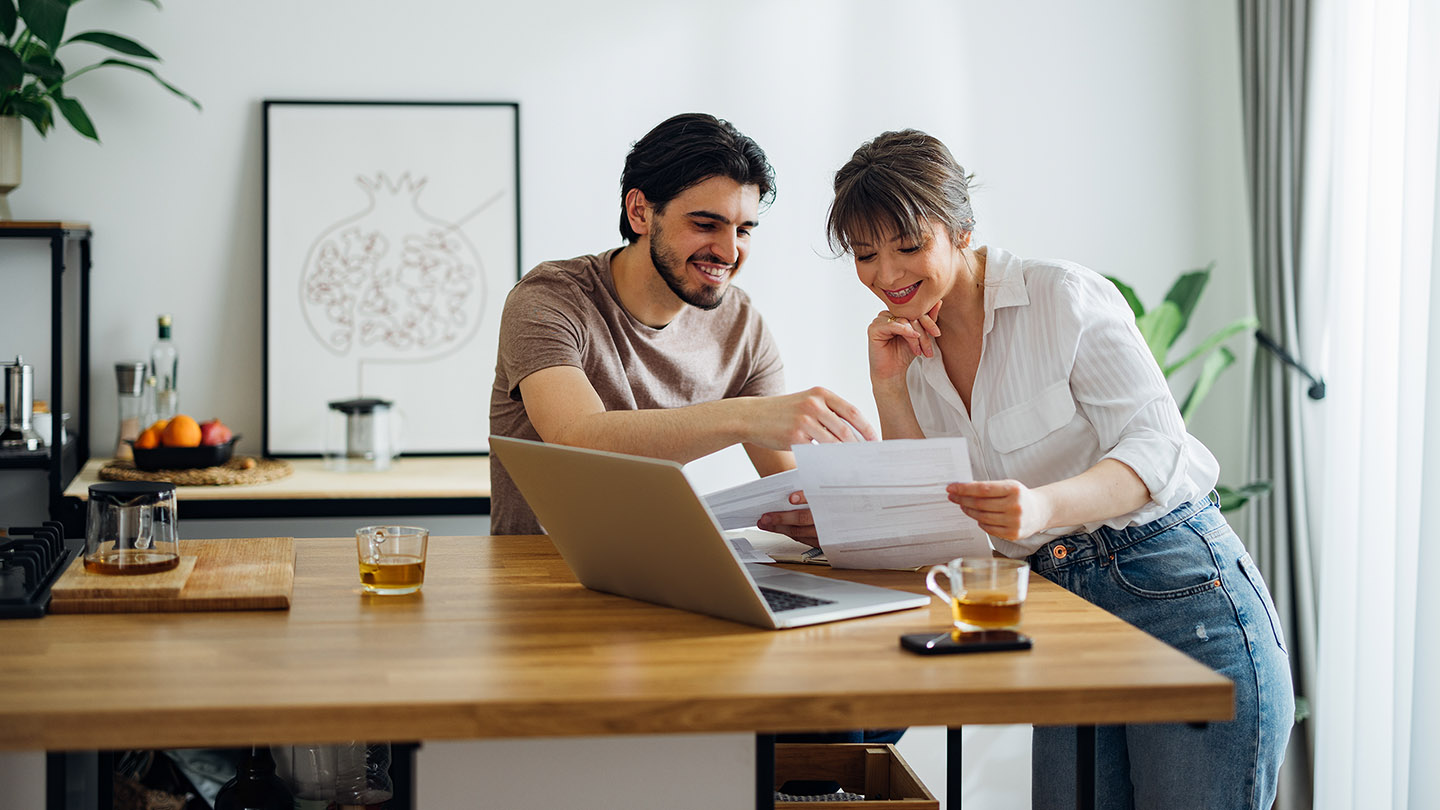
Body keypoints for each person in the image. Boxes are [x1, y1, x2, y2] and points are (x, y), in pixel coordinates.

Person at [824, 129, 1294, 809]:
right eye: (866, 255)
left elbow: (1157, 447)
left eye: (907, 245)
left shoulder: (1061, 296)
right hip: (1064, 615)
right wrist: (889, 386)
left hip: (1178, 596)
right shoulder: (911, 348)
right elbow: (932, 510)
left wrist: (1042, 508)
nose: (886, 274)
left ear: (960, 228)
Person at [490, 113, 875, 536]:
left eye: (744, 230)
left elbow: (786, 483)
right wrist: (745, 417)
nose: (729, 252)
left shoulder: (742, 327)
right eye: (706, 224)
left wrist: (818, 514)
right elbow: (575, 437)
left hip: (667, 571)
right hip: (539, 579)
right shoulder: (549, 298)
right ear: (640, 212)